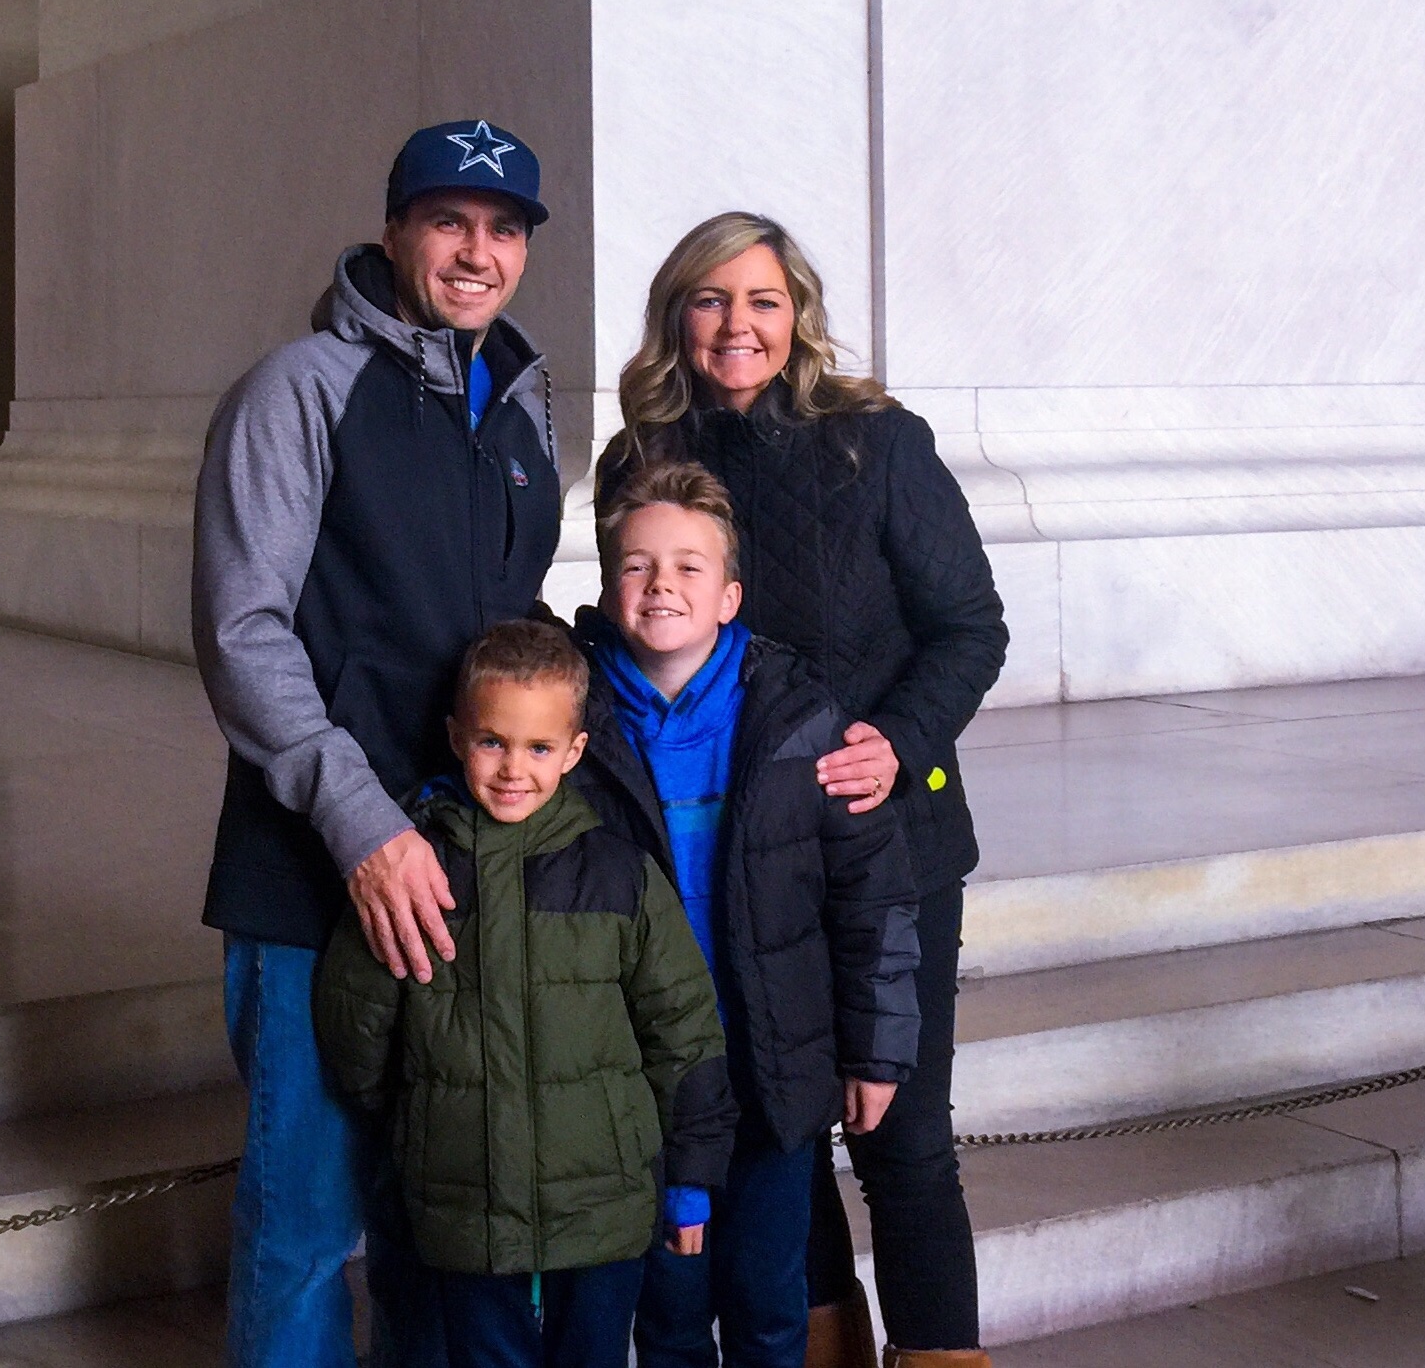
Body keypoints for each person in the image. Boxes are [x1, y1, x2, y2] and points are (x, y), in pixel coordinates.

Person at [597, 217, 1009, 1368]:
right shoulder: (639, 460)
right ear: (675, 315)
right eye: (711, 298)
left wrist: (900, 742)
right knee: (780, 1126)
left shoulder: (878, 443)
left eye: (763, 300)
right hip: (741, 857)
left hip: (886, 838)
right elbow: (645, 636)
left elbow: (971, 628)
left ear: (799, 316)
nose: (737, 324)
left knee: (900, 1138)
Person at [193, 118, 564, 1368]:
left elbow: (507, 633)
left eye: (502, 228)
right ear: (396, 230)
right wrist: (362, 825)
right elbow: (243, 634)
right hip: (315, 872)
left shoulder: (521, 406)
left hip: (462, 872)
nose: (475, 251)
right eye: (448, 221)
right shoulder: (297, 389)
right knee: (305, 1226)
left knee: (434, 1215)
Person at [314, 621, 737, 1368]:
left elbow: (685, 1032)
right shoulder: (415, 873)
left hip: (603, 1203)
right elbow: (357, 1021)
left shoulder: (620, 875)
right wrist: (416, 1117)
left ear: (574, 751)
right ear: (456, 737)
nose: (514, 769)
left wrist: (692, 1179)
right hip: (465, 1203)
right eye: (492, 742)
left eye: (539, 748)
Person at [573, 461, 920, 1368]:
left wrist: (876, 1050)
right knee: (669, 1317)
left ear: (729, 597)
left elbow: (870, 896)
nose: (661, 584)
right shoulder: (573, 729)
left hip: (771, 1075)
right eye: (638, 566)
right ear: (608, 592)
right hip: (640, 1086)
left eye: (688, 567)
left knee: (770, 1306)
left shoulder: (800, 718)